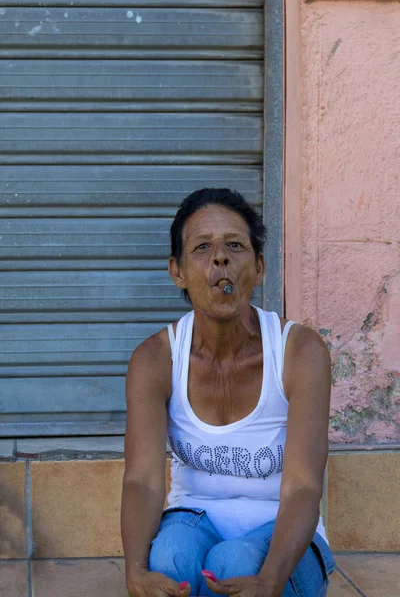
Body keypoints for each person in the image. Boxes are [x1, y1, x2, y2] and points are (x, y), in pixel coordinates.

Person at [121, 188, 336, 597]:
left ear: (258, 267)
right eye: (202, 247)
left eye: (234, 245)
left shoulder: (299, 352)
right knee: (169, 562)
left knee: (233, 564)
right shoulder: (155, 360)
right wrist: (134, 569)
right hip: (193, 517)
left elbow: (305, 486)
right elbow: (144, 480)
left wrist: (272, 577)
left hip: (283, 528)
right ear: (177, 271)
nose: (220, 257)